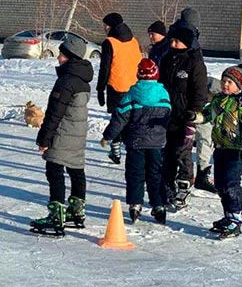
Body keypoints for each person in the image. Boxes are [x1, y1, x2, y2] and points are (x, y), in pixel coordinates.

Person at [30, 34, 93, 233]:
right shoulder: (83, 80)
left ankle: (56, 214)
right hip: (78, 133)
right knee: (76, 169)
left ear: (71, 56)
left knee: (54, 169)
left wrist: (44, 137)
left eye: (62, 55)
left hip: (64, 132)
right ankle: (76, 211)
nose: (58, 58)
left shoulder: (66, 81)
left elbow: (56, 112)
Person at [101, 58, 171, 225]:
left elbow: (119, 118)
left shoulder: (132, 94)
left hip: (136, 143)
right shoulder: (163, 94)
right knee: (156, 174)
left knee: (135, 174)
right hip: (157, 143)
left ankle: (135, 204)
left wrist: (108, 135)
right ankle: (159, 205)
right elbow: (168, 117)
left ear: (138, 75)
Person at [196, 66, 242, 239]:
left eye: (230, 82)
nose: (225, 85)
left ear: (239, 85)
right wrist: (194, 117)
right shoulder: (218, 100)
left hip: (237, 151)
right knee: (221, 185)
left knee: (231, 183)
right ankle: (228, 215)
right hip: (221, 147)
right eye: (223, 81)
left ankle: (235, 219)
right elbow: (207, 115)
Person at [159, 24, 208, 208]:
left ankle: (184, 185)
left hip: (185, 115)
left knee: (183, 152)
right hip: (166, 114)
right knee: (167, 152)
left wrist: (194, 111)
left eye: (177, 41)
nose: (173, 44)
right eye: (171, 40)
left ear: (186, 43)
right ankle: (167, 185)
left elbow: (200, 91)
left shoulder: (195, 63)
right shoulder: (167, 59)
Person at [96, 12, 143, 165]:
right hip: (134, 85)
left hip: (116, 86)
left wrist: (100, 89)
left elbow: (105, 68)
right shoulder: (134, 41)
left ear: (109, 26)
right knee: (131, 119)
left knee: (117, 118)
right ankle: (132, 149)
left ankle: (115, 150)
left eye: (105, 25)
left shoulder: (109, 42)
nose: (104, 28)